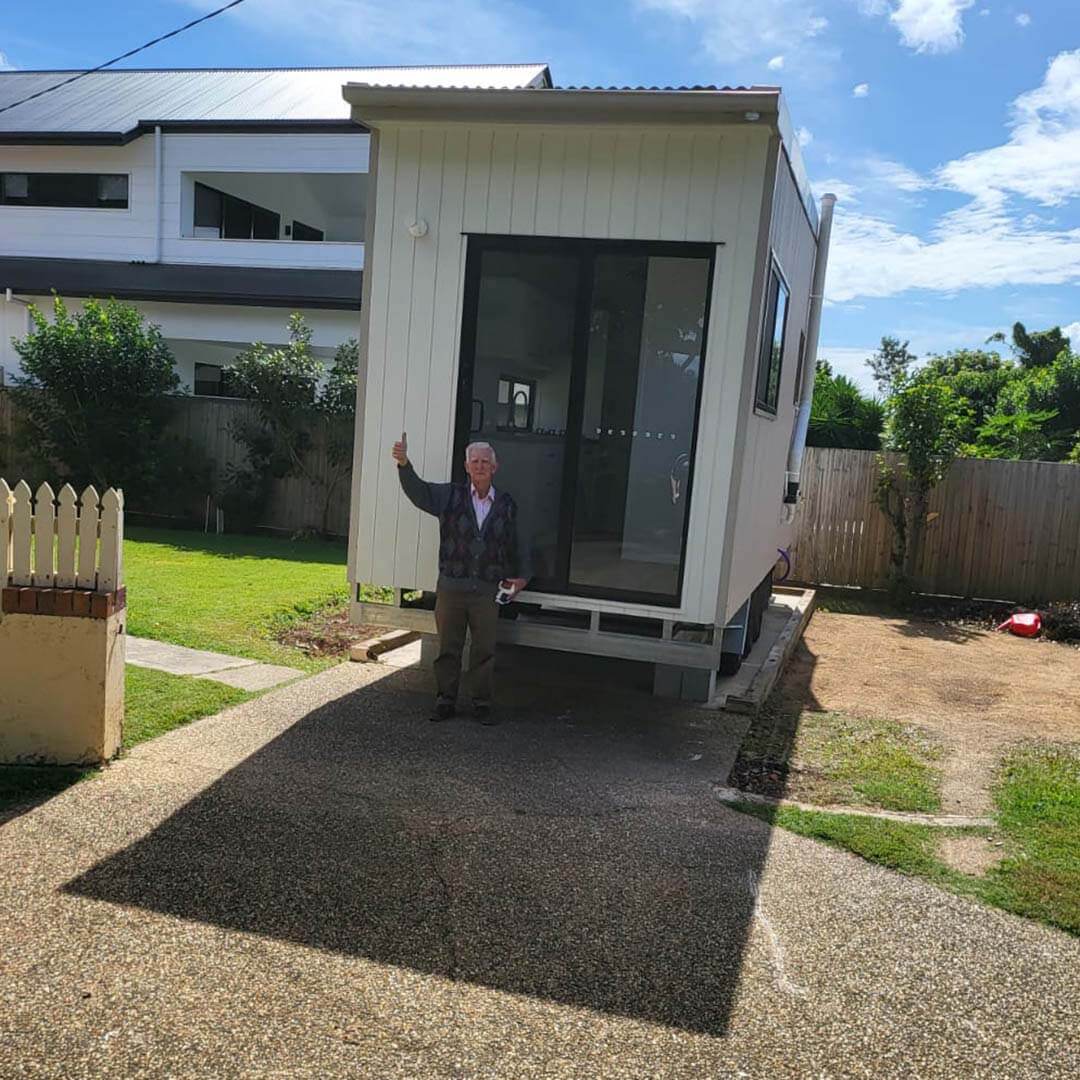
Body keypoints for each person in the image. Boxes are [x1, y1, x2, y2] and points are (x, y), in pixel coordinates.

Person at [392, 433, 530, 724]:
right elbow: (419, 492)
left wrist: (522, 578)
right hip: (451, 588)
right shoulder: (449, 496)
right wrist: (404, 464)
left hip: (486, 591)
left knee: (484, 650)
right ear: (466, 467)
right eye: (474, 461)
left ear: (495, 467)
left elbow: (519, 544)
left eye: (485, 462)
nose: (479, 466)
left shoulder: (506, 503)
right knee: (447, 649)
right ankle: (445, 700)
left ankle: (482, 703)